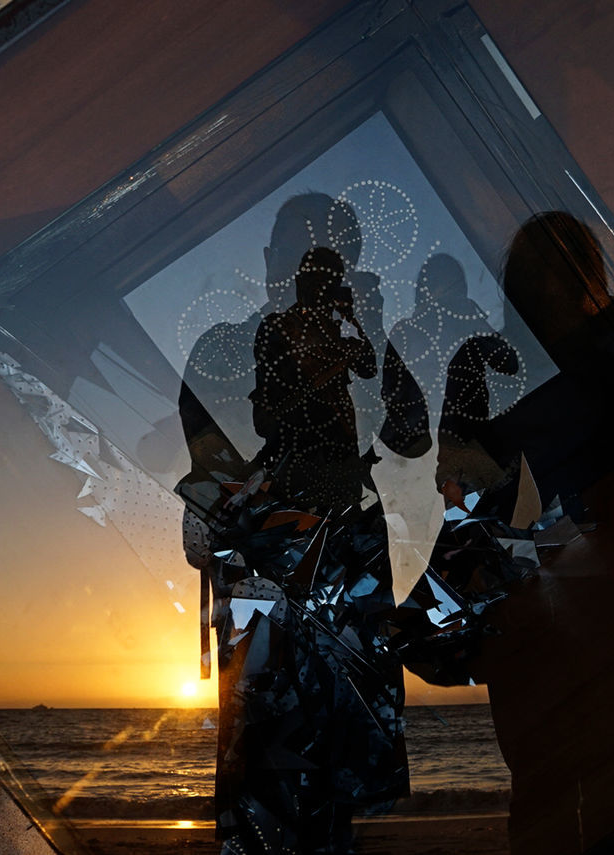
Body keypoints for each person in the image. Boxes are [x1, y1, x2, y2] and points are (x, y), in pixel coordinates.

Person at [438, 211, 614, 855]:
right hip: (580, 594)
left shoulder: (583, 353)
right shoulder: (495, 358)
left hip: (574, 595)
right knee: (588, 792)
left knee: (560, 793)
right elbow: (458, 478)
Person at [179, 203, 428, 853]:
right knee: (260, 786)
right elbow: (210, 491)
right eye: (299, 257)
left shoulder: (360, 343)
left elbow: (412, 433)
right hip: (271, 593)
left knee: (339, 803)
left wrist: (372, 343)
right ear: (269, 266)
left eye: (331, 260)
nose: (310, 275)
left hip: (347, 584)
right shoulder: (230, 347)